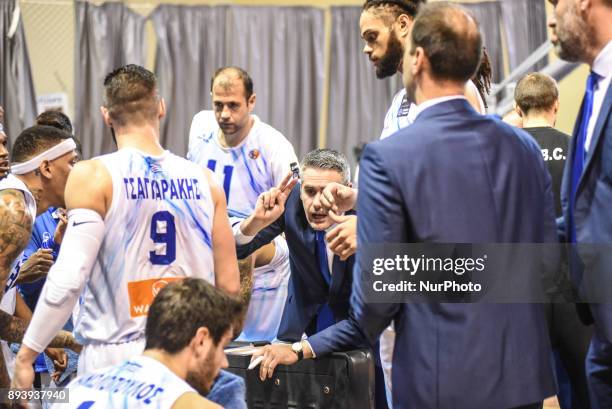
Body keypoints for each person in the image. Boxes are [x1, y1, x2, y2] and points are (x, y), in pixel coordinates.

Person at [354, 3, 557, 408]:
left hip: (441, 377)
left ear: (418, 58)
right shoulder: (524, 147)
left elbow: (376, 300)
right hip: (521, 373)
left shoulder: (387, 158)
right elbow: (547, 264)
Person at [13, 65, 240, 388]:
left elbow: (68, 278)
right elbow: (230, 288)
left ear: (107, 115)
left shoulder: (94, 176)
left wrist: (27, 354)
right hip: (186, 356)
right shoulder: (207, 182)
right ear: (160, 108)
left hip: (115, 359)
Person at [188, 66, 297, 341]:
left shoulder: (273, 146)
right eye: (218, 105)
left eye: (234, 105)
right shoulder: (201, 129)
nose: (224, 114)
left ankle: (229, 334)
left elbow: (295, 208)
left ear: (251, 102)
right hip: (213, 237)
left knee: (240, 252)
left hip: (263, 239)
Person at [233, 149, 364, 378]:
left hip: (365, 333)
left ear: (347, 191)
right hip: (309, 322)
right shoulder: (291, 203)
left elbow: (366, 320)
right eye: (310, 191)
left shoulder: (370, 224)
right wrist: (255, 222)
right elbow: (239, 250)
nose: (316, 204)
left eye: (327, 193)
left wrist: (298, 350)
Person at [548, 0, 612, 407]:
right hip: (601, 324)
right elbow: (585, 210)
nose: (552, 19)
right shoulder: (594, 87)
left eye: (558, 4)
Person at [515, 72, 592, 409]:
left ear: (518, 109)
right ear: (556, 105)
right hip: (575, 292)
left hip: (521, 295)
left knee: (525, 396)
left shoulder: (503, 156)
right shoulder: (578, 151)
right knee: (588, 389)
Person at [53, 278, 243, 409]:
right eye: (222, 347)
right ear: (201, 340)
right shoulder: (189, 404)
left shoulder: (79, 386)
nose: (224, 362)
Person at [0, 125, 80, 387]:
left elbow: (7, 296)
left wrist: (47, 340)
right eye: (72, 163)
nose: (78, 173)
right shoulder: (14, 212)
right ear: (46, 168)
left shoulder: (21, 206)